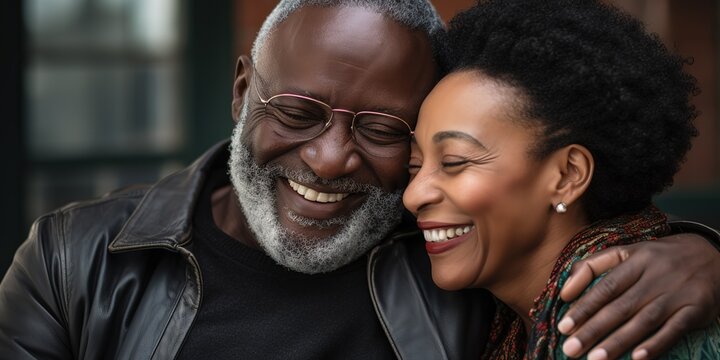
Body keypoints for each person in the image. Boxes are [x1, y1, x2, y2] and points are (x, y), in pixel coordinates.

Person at [0, 0, 719, 359]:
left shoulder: (448, 254)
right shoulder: (77, 260)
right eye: (298, 111)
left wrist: (704, 257)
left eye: (383, 132)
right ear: (243, 90)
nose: (330, 158)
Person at [403, 0, 720, 359]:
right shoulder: (511, 318)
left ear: (568, 175)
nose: (413, 195)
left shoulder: (619, 321)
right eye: (414, 165)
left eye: (454, 161)